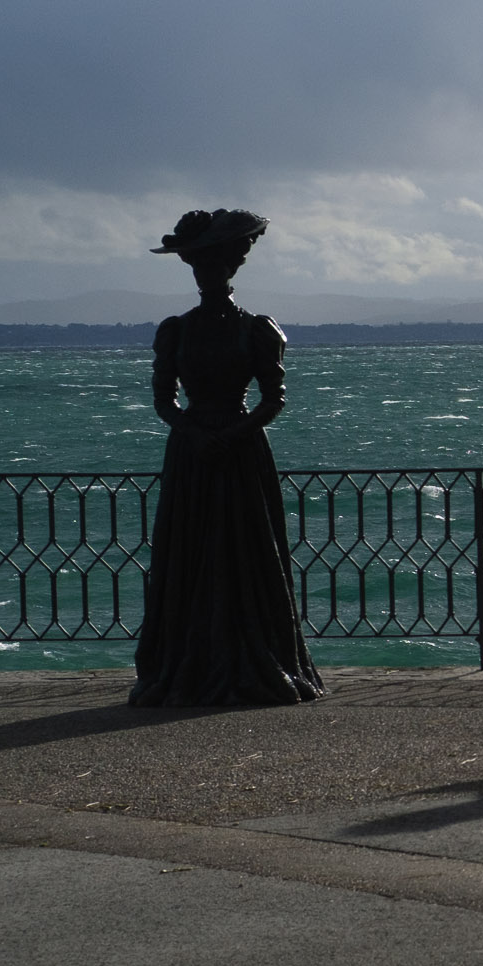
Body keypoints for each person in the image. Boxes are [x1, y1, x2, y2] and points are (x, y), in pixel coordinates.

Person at [128, 209, 325, 707]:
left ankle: (248, 658)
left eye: (212, 265)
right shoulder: (176, 330)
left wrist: (231, 434)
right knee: (190, 553)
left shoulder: (257, 329)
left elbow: (274, 398)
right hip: (194, 454)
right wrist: (195, 434)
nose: (205, 274)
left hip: (238, 453)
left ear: (229, 267)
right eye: (199, 266)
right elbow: (163, 400)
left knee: (244, 552)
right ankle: (189, 662)